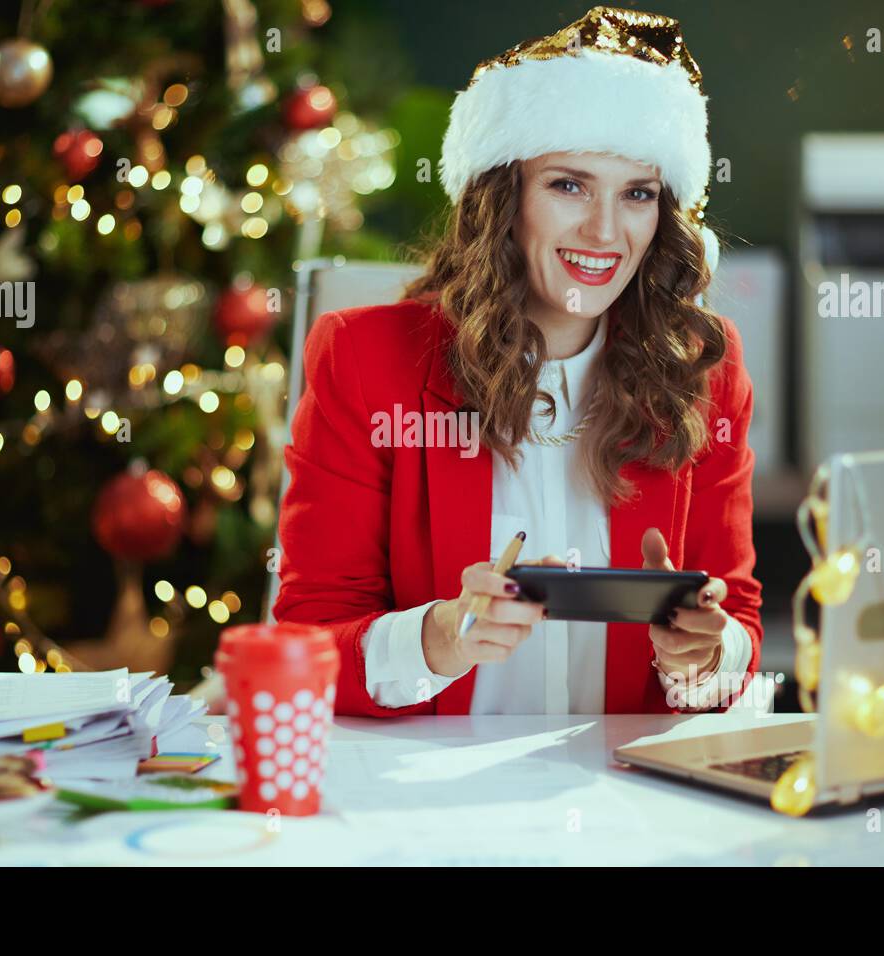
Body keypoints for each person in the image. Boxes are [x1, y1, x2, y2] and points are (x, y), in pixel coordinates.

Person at [274, 6, 763, 716]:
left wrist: (706, 658)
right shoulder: (364, 359)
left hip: (629, 799)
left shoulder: (701, 368)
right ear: (505, 200)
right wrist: (436, 639)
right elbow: (308, 643)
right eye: (569, 185)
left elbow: (737, 626)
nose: (604, 231)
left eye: (637, 194)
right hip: (430, 800)